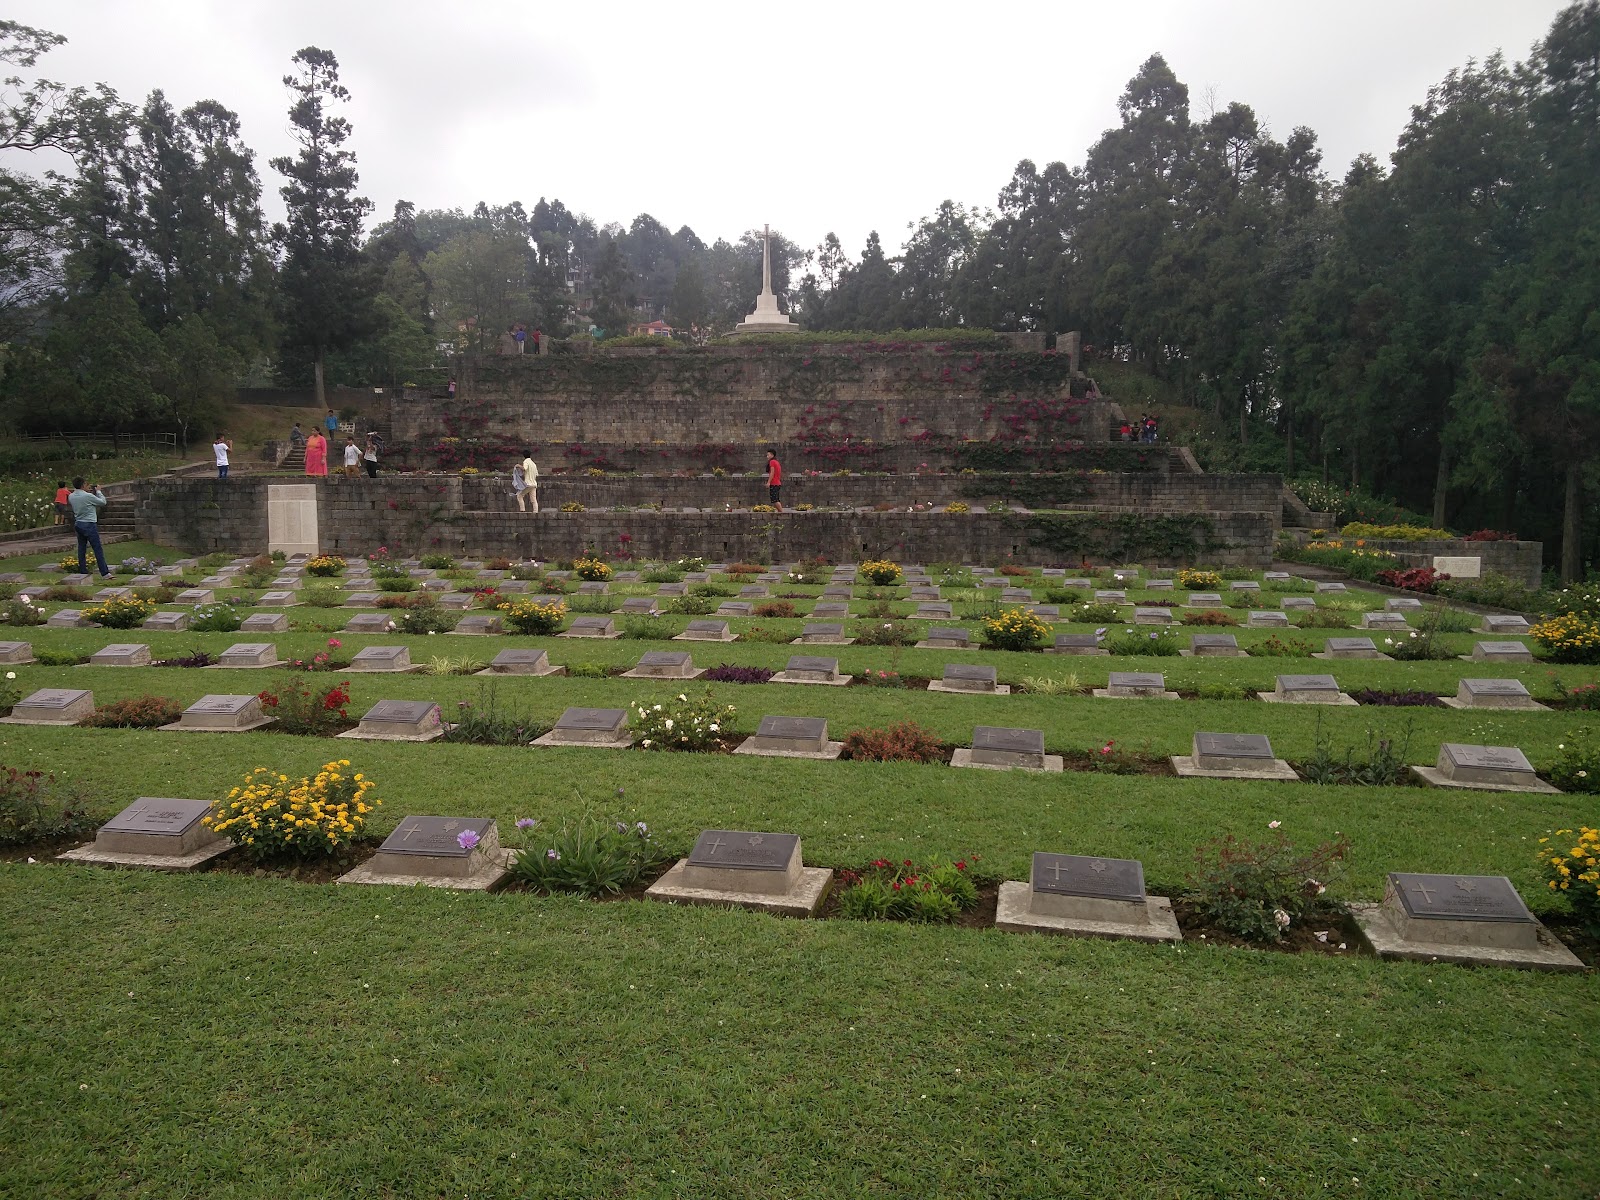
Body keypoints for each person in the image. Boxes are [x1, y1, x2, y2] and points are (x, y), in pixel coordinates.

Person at [68, 477, 110, 578]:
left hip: (78, 523)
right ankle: (105, 573)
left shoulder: (71, 496)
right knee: (97, 548)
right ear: (83, 485)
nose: (88, 486)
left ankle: (83, 571)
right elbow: (103, 502)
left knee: (81, 548)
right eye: (86, 484)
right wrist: (98, 492)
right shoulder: (88, 496)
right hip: (89, 523)